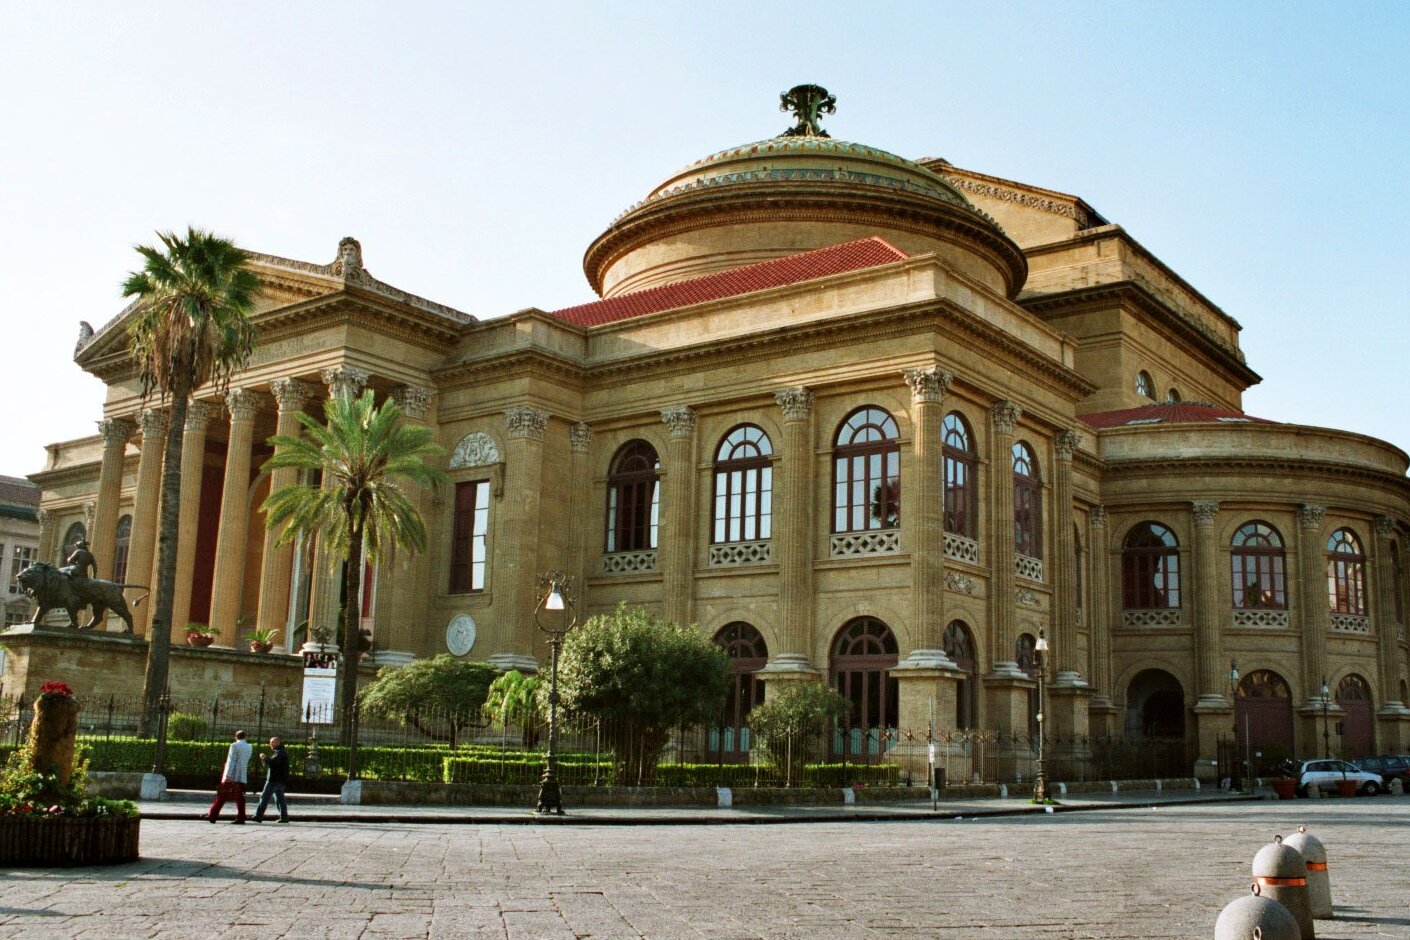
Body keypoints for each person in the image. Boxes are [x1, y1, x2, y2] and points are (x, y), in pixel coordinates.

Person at [206, 730, 253, 824]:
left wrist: (227, 775)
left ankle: (212, 815)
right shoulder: (249, 747)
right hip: (242, 775)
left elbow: (231, 760)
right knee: (240, 798)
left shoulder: (234, 745)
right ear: (245, 737)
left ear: (235, 737)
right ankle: (241, 817)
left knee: (222, 795)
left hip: (233, 775)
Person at [253, 736, 290, 823]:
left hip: (274, 780)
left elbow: (272, 763)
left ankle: (258, 816)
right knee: (280, 799)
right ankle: (284, 817)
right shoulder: (280, 752)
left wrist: (264, 757)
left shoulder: (279, 753)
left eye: (272, 742)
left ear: (277, 743)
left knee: (264, 797)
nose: (270, 744)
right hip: (281, 780)